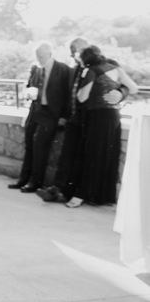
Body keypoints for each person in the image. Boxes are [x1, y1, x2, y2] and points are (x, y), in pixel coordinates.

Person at [38, 37, 129, 203]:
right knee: (66, 157)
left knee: (84, 158)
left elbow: (123, 84)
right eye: (72, 53)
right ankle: (58, 190)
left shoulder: (106, 65)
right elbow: (67, 94)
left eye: (77, 52)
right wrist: (65, 117)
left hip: (92, 119)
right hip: (74, 119)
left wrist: (120, 94)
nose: (74, 57)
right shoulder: (72, 68)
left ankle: (73, 193)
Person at [66, 46, 139, 208]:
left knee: (91, 155)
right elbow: (134, 88)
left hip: (98, 117)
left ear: (86, 59)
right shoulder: (114, 67)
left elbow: (82, 97)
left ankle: (81, 194)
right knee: (107, 154)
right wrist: (118, 92)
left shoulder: (91, 71)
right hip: (113, 117)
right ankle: (101, 196)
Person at [8, 41, 71, 193]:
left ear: (50, 54)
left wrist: (63, 117)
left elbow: (68, 95)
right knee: (29, 145)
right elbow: (29, 85)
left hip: (51, 114)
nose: (39, 59)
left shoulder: (63, 69)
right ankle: (23, 179)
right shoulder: (35, 68)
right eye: (37, 56)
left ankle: (35, 182)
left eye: (42, 56)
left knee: (40, 147)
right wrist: (29, 91)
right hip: (35, 111)